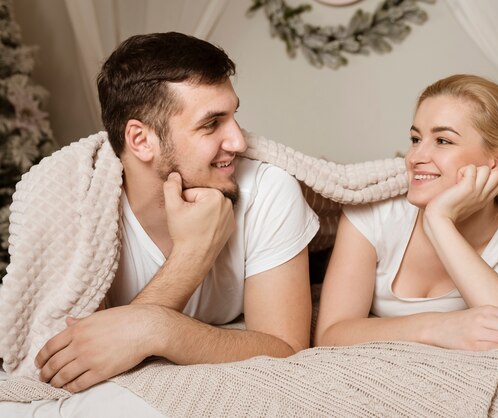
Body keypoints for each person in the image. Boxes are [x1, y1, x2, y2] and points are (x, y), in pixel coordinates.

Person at [30, 32, 319, 393]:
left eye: (233, 116)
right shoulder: (77, 205)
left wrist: (157, 328)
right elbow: (68, 363)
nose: (239, 142)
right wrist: (192, 255)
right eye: (212, 124)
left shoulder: (269, 190)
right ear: (141, 140)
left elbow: (287, 348)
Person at [314, 74, 498, 354]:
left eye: (443, 141)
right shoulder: (373, 214)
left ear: (497, 161)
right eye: (415, 138)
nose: (414, 157)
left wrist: (440, 222)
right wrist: (440, 327)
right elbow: (330, 334)